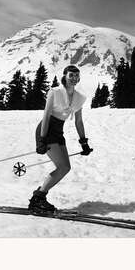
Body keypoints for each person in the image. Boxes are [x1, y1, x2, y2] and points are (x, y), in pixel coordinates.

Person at [28, 65, 93, 213]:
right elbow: (46, 115)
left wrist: (84, 142)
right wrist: (42, 139)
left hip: (58, 132)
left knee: (66, 168)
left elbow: (79, 121)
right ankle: (38, 199)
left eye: (77, 76)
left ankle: (39, 195)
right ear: (64, 75)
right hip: (47, 130)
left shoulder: (79, 98)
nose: (74, 78)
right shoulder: (55, 92)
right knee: (62, 166)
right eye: (71, 75)